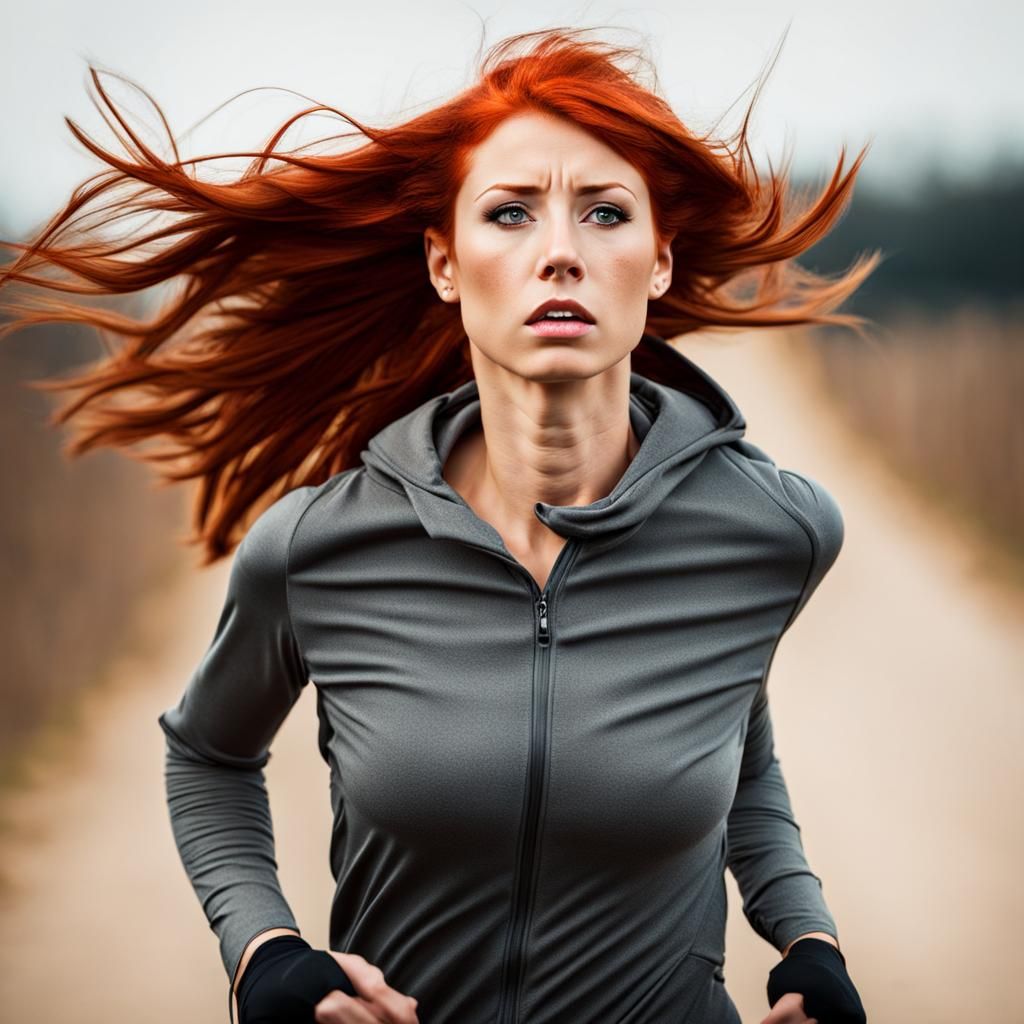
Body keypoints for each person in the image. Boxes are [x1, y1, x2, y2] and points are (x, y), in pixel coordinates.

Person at [0, 26, 876, 1024]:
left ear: (661, 262)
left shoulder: (771, 529)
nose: (559, 253)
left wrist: (810, 941)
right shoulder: (319, 545)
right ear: (445, 265)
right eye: (509, 214)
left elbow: (733, 752)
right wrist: (266, 955)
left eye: (603, 213)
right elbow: (207, 755)